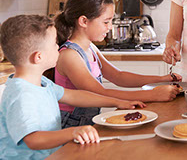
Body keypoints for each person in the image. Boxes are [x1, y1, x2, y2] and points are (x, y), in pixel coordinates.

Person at [0, 15, 145, 159]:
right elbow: (33, 139)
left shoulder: (42, 82)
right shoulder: (22, 94)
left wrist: (116, 102)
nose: (58, 47)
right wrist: (73, 132)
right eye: (54, 44)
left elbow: (75, 96)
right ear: (38, 57)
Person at [54, 0, 181, 128]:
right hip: (70, 126)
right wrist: (152, 95)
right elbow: (100, 93)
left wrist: (162, 80)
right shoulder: (70, 55)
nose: (109, 27)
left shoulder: (90, 47)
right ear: (83, 21)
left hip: (87, 123)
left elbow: (118, 76)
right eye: (106, 22)